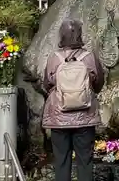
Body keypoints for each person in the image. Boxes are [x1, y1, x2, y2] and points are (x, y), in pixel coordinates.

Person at [42, 19, 104, 181]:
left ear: (61, 35)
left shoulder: (54, 58)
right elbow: (98, 83)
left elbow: (47, 84)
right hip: (84, 118)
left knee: (61, 161)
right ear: (80, 35)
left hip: (59, 118)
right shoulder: (89, 57)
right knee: (85, 161)